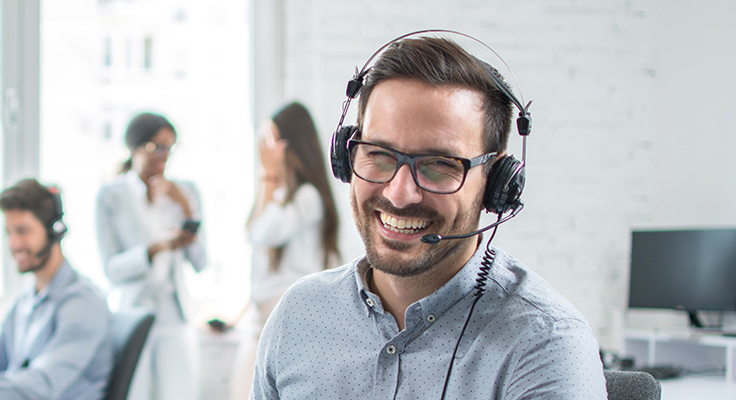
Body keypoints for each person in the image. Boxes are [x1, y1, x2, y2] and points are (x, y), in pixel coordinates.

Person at [251, 35, 606, 399]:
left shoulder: (546, 345)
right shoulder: (298, 316)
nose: (399, 193)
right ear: (347, 158)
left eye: (439, 165)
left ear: (496, 184)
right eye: (379, 155)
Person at [0, 179, 113, 400]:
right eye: (9, 232)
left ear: (55, 230)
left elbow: (41, 385)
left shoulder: (82, 304)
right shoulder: (27, 300)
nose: (14, 244)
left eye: (22, 231)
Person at [229, 101, 340, 400]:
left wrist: (269, 174)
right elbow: (254, 233)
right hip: (261, 321)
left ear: (291, 144)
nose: (266, 150)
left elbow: (263, 233)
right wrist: (269, 179)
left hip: (290, 323)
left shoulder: (307, 197)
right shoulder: (281, 194)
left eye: (271, 141)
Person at [96, 112, 206, 400]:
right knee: (134, 393)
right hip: (134, 312)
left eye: (170, 147)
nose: (165, 156)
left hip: (174, 315)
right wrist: (153, 248)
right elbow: (112, 269)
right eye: (157, 147)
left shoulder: (186, 191)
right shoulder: (110, 196)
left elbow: (201, 261)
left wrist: (185, 207)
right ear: (134, 147)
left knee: (180, 393)